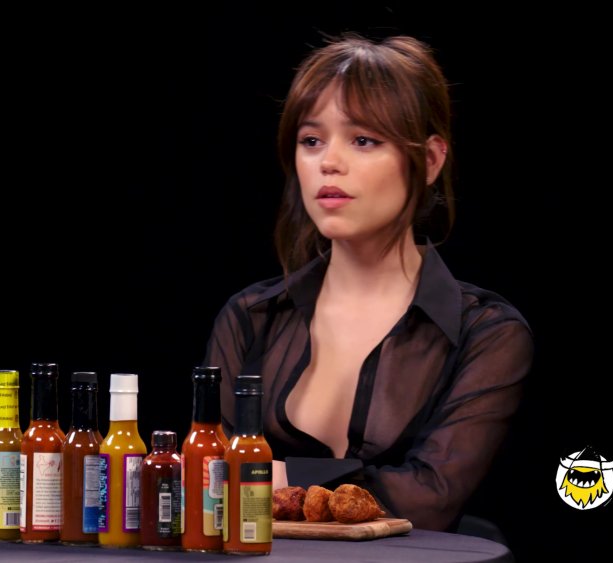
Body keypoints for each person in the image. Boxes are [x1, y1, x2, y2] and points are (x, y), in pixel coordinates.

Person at [203, 33, 533, 532]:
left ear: (430, 160)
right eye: (311, 141)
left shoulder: (485, 333)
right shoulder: (251, 318)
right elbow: (211, 486)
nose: (329, 162)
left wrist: (282, 479)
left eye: (363, 140)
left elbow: (429, 501)